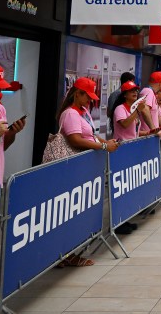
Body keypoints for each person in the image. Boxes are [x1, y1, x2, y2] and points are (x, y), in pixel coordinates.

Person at [57, 77, 119, 261]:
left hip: (84, 169)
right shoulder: (70, 114)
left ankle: (72, 252)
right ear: (77, 94)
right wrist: (103, 147)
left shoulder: (83, 112)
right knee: (70, 213)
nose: (90, 101)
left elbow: (91, 135)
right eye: (87, 96)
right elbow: (75, 139)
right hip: (72, 169)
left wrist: (105, 142)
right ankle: (66, 254)